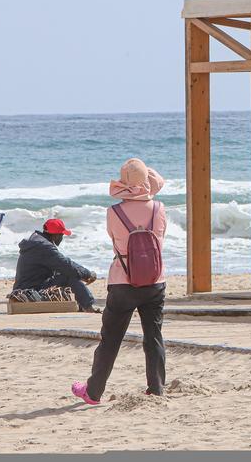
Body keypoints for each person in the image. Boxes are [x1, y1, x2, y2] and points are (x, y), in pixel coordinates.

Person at [72, 158, 168, 405]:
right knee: (154, 335)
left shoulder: (113, 212)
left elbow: (115, 239)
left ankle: (93, 392)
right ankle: (156, 388)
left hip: (122, 280)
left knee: (111, 339)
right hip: (155, 279)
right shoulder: (159, 208)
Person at [12, 218, 99, 313]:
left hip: (26, 286)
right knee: (70, 276)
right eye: (62, 235)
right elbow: (66, 265)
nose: (62, 238)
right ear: (56, 235)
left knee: (66, 273)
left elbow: (60, 265)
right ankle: (89, 307)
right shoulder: (44, 246)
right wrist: (88, 274)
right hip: (31, 290)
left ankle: (82, 306)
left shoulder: (37, 241)